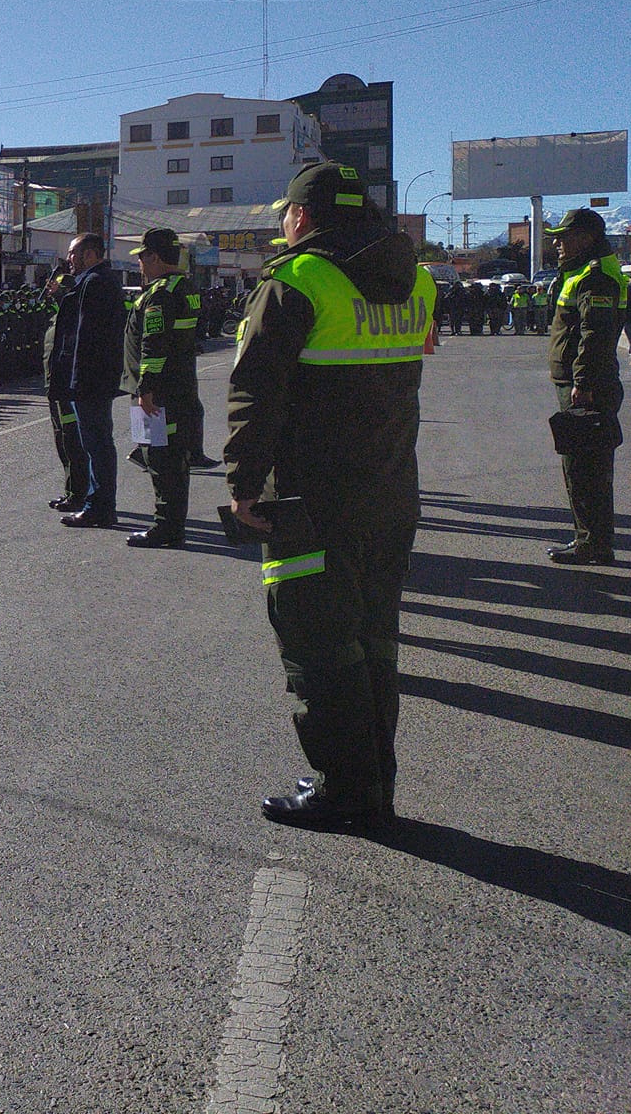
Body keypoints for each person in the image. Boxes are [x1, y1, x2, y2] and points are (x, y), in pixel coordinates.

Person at [228, 163, 435, 829]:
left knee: (318, 641)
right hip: (390, 490)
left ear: (304, 218)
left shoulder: (297, 280)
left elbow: (255, 394)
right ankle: (374, 779)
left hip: (312, 499)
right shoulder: (417, 279)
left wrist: (242, 487)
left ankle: (347, 791)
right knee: (374, 638)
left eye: (286, 213)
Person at [544, 207, 627, 565]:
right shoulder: (582, 272)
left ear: (587, 238)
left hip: (588, 385)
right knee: (584, 466)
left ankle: (591, 543)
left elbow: (594, 335)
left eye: (565, 236)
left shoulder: (595, 277)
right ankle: (592, 540)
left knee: (585, 469)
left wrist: (584, 382)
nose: (558, 243)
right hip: (583, 381)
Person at [122, 230, 202, 549]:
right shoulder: (184, 287)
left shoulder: (160, 294)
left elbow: (153, 346)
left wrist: (146, 389)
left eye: (142, 257)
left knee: (160, 458)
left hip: (157, 394)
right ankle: (171, 523)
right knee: (167, 457)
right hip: (177, 388)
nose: (140, 263)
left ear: (155, 257)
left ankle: (166, 526)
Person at [51, 233, 125, 528]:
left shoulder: (95, 284)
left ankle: (100, 506)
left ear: (91, 255)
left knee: (96, 444)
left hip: (90, 380)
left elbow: (85, 339)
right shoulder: (91, 282)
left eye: (74, 253)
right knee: (96, 442)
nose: (69, 259)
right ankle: (99, 503)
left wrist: (75, 379)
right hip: (93, 379)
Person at [41, 260, 85, 513]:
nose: (50, 291)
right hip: (55, 387)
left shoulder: (72, 316)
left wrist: (62, 294)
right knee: (62, 440)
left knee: (74, 442)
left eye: (56, 288)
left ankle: (80, 493)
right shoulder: (57, 316)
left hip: (66, 387)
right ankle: (71, 491)